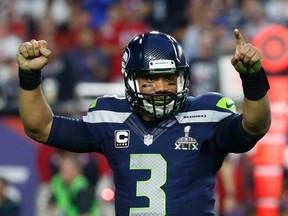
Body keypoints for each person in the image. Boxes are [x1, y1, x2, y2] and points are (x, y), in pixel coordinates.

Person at [17, 29, 271, 215]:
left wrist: (253, 79)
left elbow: (254, 127)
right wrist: (29, 77)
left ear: (183, 79)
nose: (161, 87)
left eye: (170, 79)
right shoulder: (112, 117)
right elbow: (41, 127)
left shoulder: (206, 114)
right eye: (150, 80)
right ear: (131, 81)